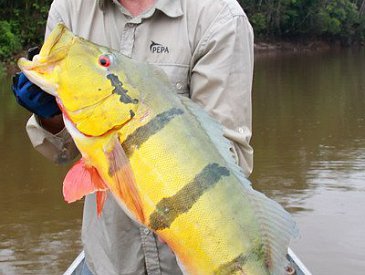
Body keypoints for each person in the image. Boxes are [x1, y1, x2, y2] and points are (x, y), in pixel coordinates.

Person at [13, 0, 254, 274]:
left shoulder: (219, 16)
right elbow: (65, 152)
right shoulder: (69, 9)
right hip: (109, 260)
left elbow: (229, 162)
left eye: (103, 62)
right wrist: (51, 115)